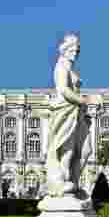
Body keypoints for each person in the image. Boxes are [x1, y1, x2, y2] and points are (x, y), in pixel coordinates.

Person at [45, 33, 93, 198]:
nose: (76, 52)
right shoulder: (61, 66)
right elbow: (64, 90)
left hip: (77, 111)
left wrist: (83, 105)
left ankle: (73, 181)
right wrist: (83, 100)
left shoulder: (71, 67)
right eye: (73, 49)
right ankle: (62, 183)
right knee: (67, 149)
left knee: (86, 150)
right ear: (65, 50)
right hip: (66, 110)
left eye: (78, 49)